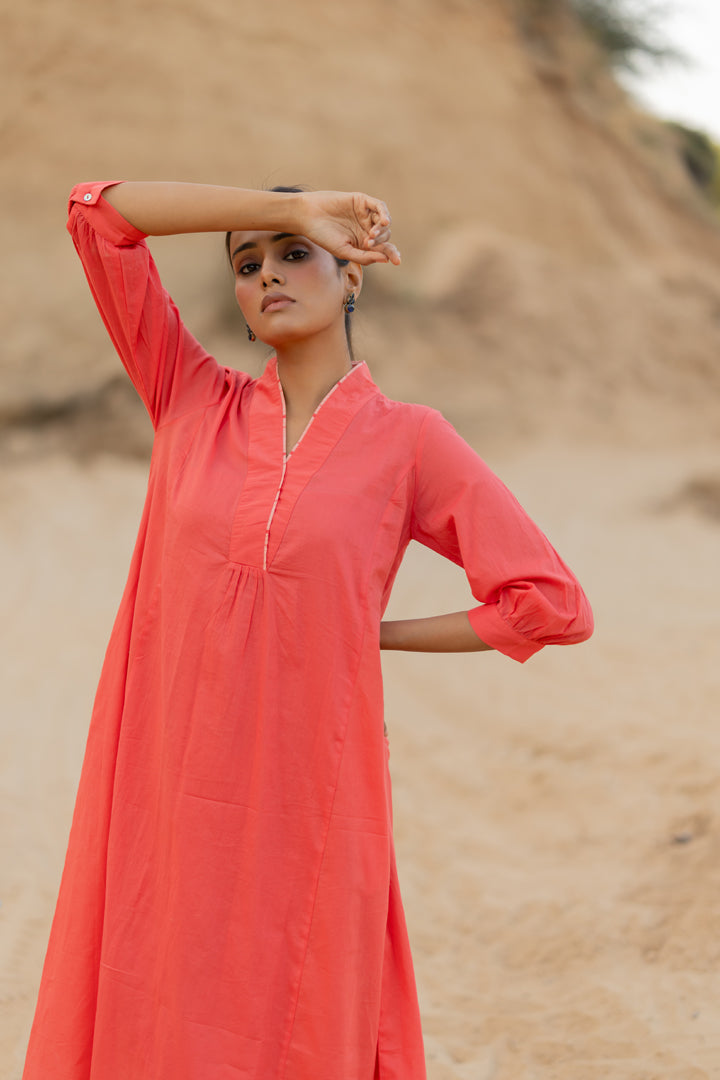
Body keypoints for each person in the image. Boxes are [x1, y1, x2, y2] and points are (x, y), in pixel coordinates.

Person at [22, 180, 593, 1080]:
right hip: (171, 784)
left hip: (311, 788)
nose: (268, 275)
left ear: (352, 277)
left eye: (294, 255)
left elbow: (549, 603)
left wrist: (370, 633)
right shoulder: (188, 400)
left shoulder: (410, 442)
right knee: (161, 987)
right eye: (246, 264)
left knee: (294, 1009)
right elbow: (99, 216)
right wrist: (288, 208)